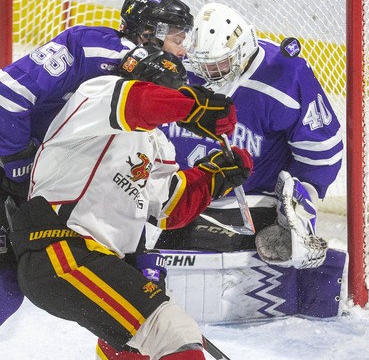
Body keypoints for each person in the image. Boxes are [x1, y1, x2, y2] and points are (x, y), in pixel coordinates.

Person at [7, 44, 251, 359]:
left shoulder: (155, 143)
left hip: (94, 261)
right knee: (174, 333)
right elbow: (139, 102)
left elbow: (168, 208)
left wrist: (215, 177)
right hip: (61, 252)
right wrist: (192, 107)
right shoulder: (97, 94)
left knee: (132, 350)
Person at [0, 0, 193, 328]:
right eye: (178, 37)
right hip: (8, 172)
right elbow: (7, 95)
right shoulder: (90, 47)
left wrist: (140, 257)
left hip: (35, 191)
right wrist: (18, 167)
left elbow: (138, 190)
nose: (184, 50)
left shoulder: (151, 97)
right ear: (150, 32)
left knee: (10, 283)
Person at [154, 3, 345, 313]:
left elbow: (322, 151)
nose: (208, 74)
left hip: (251, 200)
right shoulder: (180, 68)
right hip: (185, 191)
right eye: (202, 64)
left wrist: (300, 203)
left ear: (242, 51)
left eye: (219, 64)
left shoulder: (285, 75)